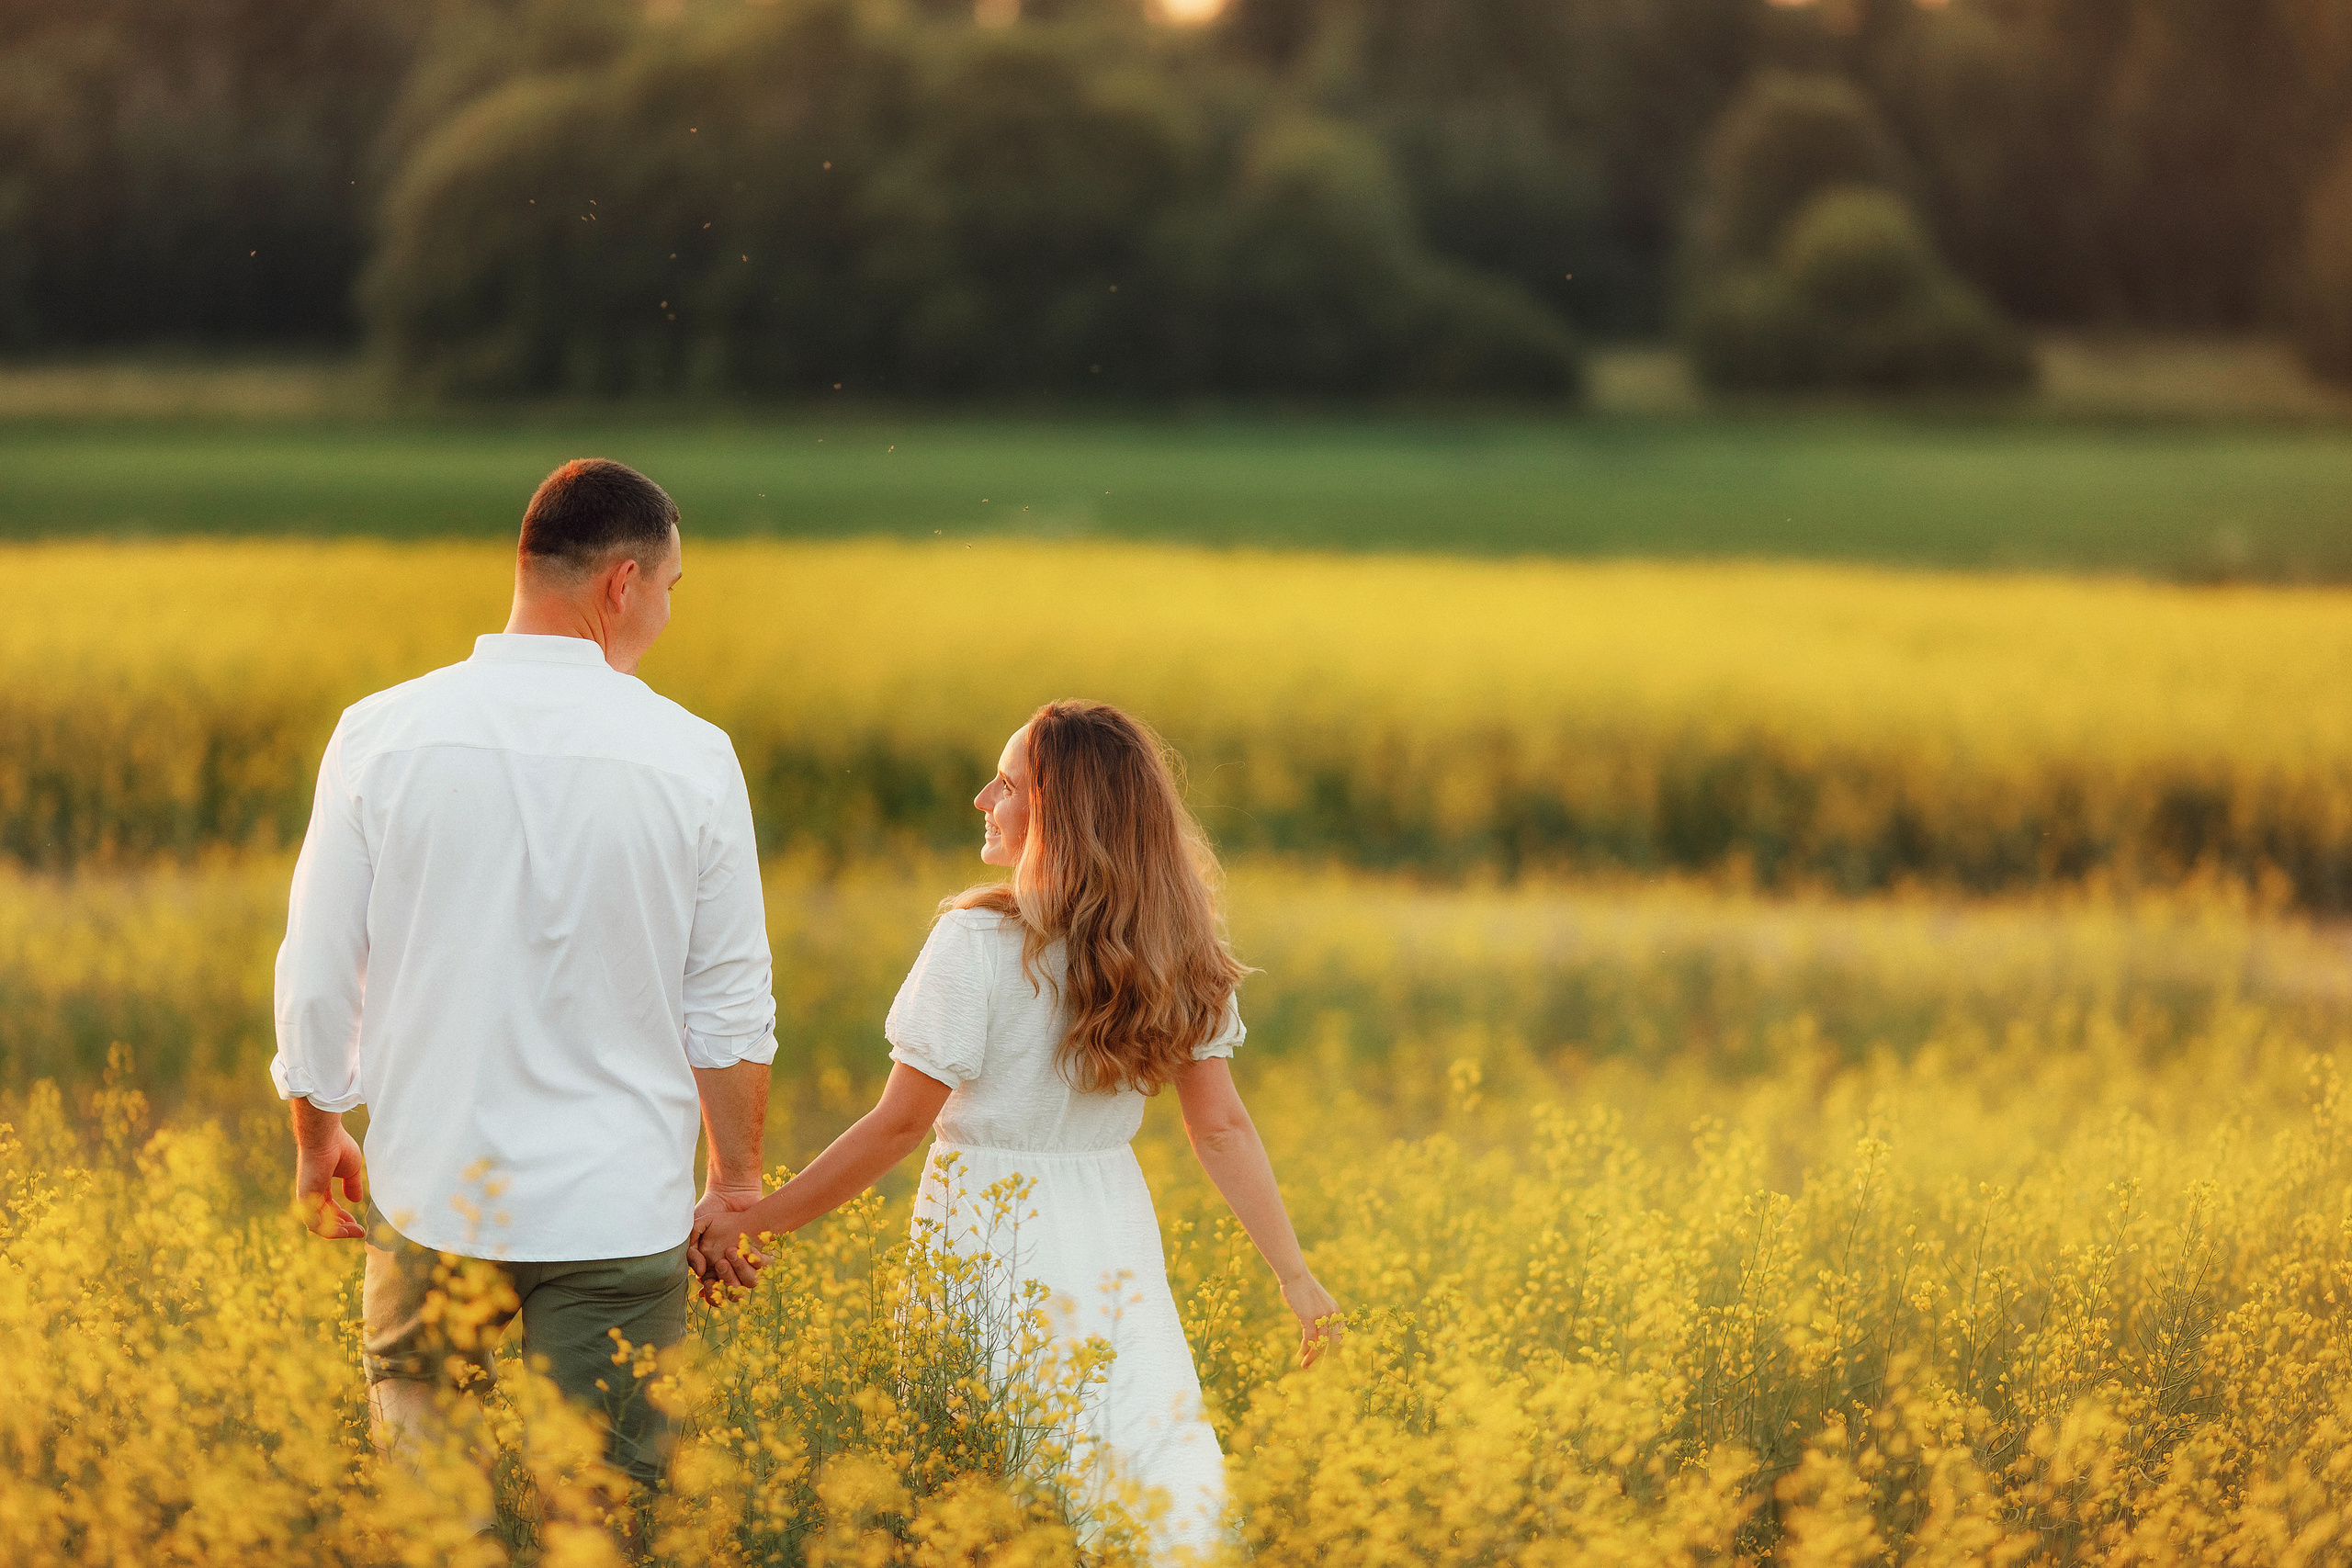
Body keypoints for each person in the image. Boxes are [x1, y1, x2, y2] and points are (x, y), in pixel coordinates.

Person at [692, 699, 1340, 1561]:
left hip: (988, 1227)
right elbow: (1220, 1127)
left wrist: (753, 1216)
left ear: (1060, 814)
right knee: (1131, 1445)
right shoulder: (1175, 945)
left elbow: (896, 1127)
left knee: (990, 1472)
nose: (981, 797)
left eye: (1007, 782)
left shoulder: (978, 941)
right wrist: (1294, 1275)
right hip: (1109, 1221)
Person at [269, 457, 777, 1507]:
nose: (666, 613)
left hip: (435, 1186)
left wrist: (319, 1137)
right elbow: (727, 1008)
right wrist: (735, 1185)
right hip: (618, 1206)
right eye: (672, 591)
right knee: (605, 1511)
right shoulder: (692, 757)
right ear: (622, 584)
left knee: (429, 1505)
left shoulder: (381, 733)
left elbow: (318, 974)